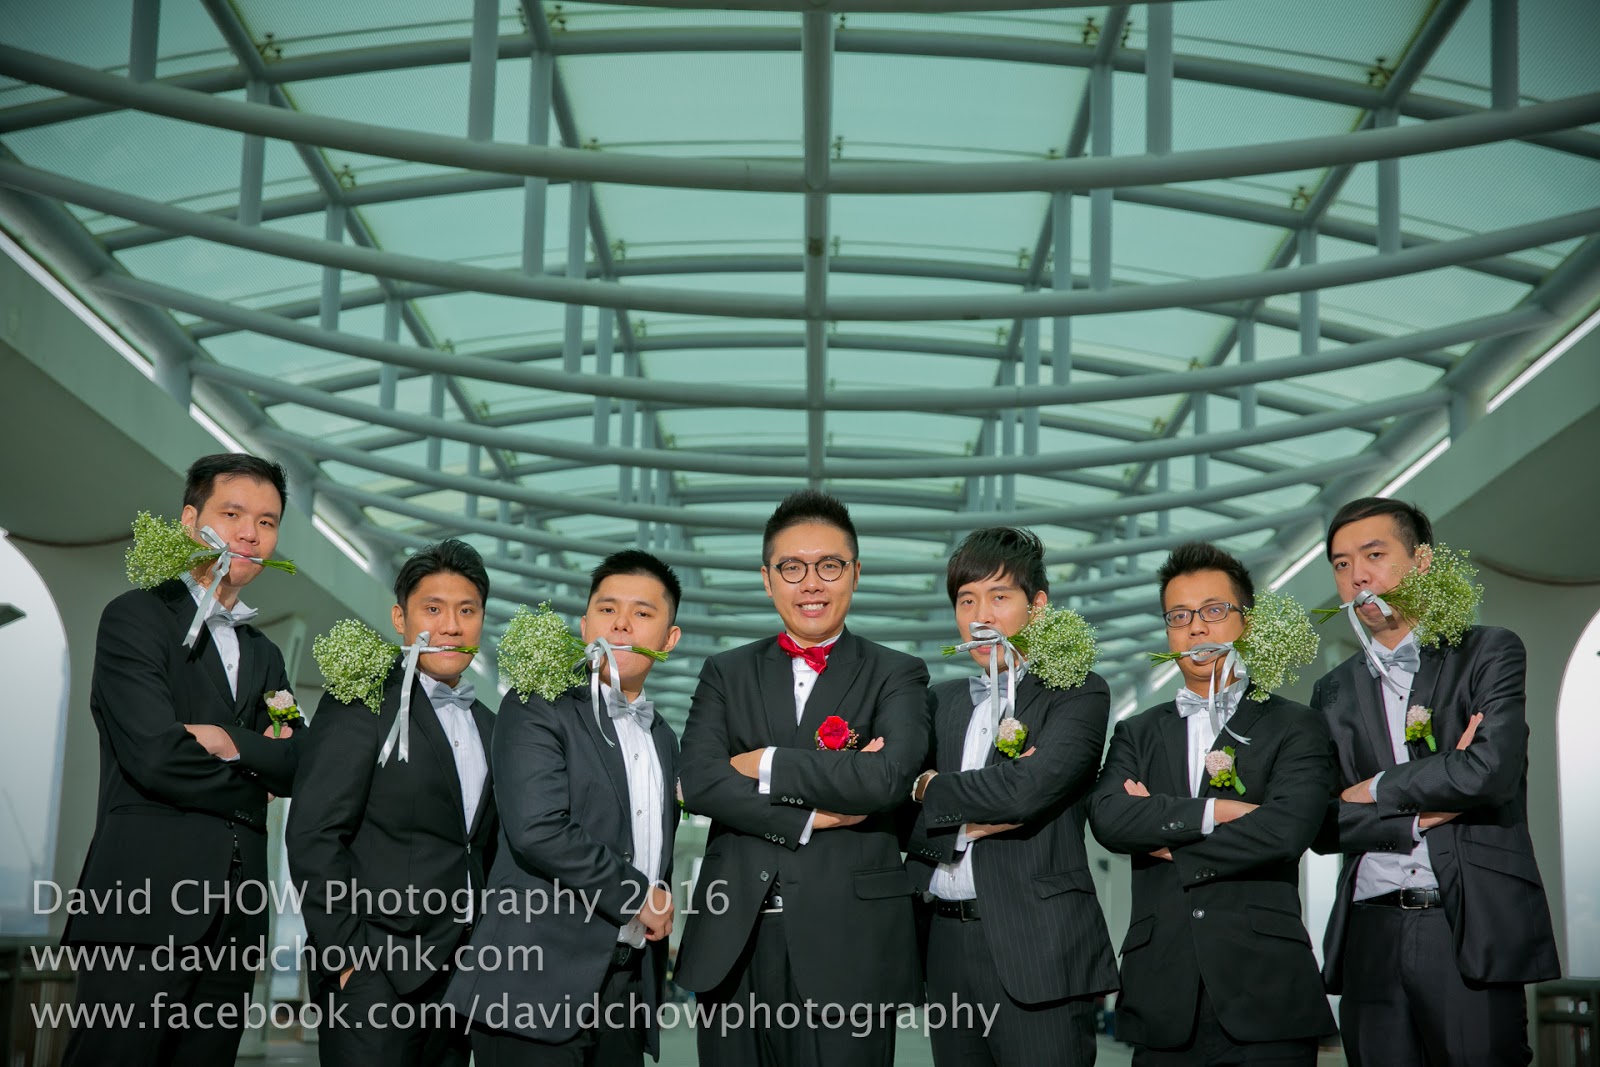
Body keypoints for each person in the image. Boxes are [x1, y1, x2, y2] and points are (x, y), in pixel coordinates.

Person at [674, 489, 931, 1067]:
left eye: (829, 566)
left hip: (849, 943)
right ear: (767, 579)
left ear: (855, 574)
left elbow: (887, 780)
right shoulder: (725, 672)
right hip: (733, 940)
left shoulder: (898, 673)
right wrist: (810, 815)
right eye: (791, 567)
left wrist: (763, 761)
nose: (810, 583)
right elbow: (700, 780)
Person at [62, 453, 300, 1067]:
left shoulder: (267, 655)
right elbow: (155, 755)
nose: (251, 533)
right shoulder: (135, 618)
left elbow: (298, 760)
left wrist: (226, 741)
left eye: (267, 522)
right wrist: (254, 782)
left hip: (236, 921)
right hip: (142, 907)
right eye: (233, 514)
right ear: (191, 521)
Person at [1310, 497, 1559, 1066]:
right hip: (1368, 931)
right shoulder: (1332, 691)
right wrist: (1426, 807)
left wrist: (1372, 788)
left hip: (1467, 922)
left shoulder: (1487, 650)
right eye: (1342, 564)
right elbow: (1321, 821)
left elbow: (1489, 772)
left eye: (1374, 555)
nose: (1358, 576)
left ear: (1421, 562)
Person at [1089, 542, 1334, 1065]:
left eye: (1213, 611)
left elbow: (1286, 832)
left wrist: (1163, 833)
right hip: (1161, 990)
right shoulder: (1137, 731)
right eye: (1179, 616)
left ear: (1246, 621)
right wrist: (1216, 812)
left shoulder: (1295, 724)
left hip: (1266, 989)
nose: (1196, 628)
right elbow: (1109, 819)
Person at [446, 550, 684, 1066]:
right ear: (585, 625)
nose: (621, 624)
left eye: (642, 613)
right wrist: (637, 894)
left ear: (669, 639)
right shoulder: (536, 704)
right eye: (607, 609)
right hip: (531, 985)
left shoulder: (664, 737)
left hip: (624, 989)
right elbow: (538, 829)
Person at [905, 527, 1118, 1066]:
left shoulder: (1077, 691)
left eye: (999, 597)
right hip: (944, 943)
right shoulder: (936, 703)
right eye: (966, 600)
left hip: (1037, 944)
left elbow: (1028, 791)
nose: (981, 616)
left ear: (1037, 606)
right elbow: (894, 807)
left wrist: (931, 788)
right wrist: (973, 806)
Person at [287, 538, 498, 1066]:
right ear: (401, 618)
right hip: (372, 971)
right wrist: (345, 953)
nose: (451, 626)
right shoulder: (363, 702)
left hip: (461, 978)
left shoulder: (493, 726)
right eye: (433, 609)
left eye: (467, 611)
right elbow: (314, 831)